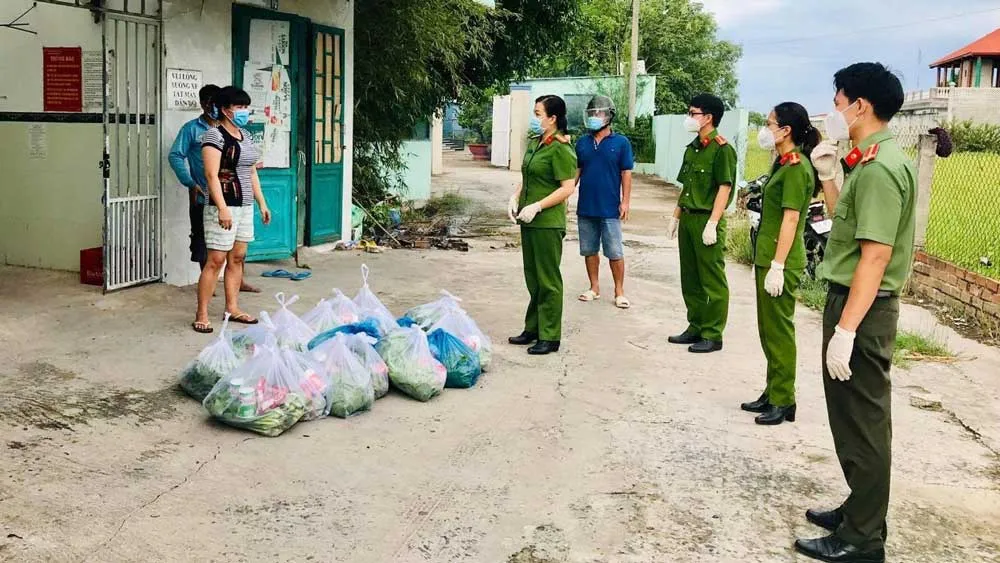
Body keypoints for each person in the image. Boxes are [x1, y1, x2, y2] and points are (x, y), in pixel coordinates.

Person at [794, 63, 914, 563]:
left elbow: (876, 255)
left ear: (859, 105)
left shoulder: (884, 167)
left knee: (862, 423)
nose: (835, 109)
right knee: (850, 419)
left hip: (863, 309)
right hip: (853, 301)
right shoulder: (867, 161)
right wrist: (829, 176)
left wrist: (846, 330)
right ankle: (859, 509)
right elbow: (849, 221)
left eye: (839, 100)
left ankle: (864, 539)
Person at [739, 102, 819, 426]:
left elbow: (790, 219)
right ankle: (772, 391)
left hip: (781, 261)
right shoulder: (782, 164)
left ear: (786, 130)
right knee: (767, 330)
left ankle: (784, 400)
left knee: (779, 332)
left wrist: (778, 265)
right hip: (768, 258)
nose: (765, 129)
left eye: (770, 123)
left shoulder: (798, 168)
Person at [193, 86, 272, 333]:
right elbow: (211, 175)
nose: (244, 112)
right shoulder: (213, 137)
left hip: (245, 205)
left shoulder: (245, 136)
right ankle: (202, 313)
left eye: (246, 107)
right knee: (215, 260)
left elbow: (251, 172)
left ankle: (232, 307)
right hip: (224, 205)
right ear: (225, 110)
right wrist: (222, 208)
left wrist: (262, 203)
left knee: (237, 258)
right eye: (239, 107)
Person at [168, 84, 259, 293]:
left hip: (235, 197)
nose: (212, 106)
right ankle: (208, 287)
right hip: (205, 196)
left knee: (237, 246)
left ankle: (238, 283)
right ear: (202, 104)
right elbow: (175, 155)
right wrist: (191, 182)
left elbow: (250, 167)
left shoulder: (236, 131)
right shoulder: (193, 129)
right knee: (206, 245)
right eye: (207, 102)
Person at [506, 95, 578, 355]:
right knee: (533, 278)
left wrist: (538, 206)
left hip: (546, 222)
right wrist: (516, 196)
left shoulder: (560, 148)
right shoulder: (537, 144)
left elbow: (567, 188)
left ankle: (549, 336)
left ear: (553, 118)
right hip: (528, 222)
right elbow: (528, 177)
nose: (535, 119)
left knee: (548, 280)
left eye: (538, 114)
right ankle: (533, 328)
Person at [666, 94, 737, 353]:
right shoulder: (693, 148)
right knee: (691, 277)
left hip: (707, 219)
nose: (689, 117)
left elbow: (724, 188)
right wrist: (676, 215)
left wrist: (713, 222)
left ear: (708, 117)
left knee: (712, 280)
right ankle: (695, 325)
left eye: (693, 113)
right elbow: (686, 186)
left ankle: (713, 333)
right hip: (688, 217)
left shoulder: (722, 149)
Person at [575, 95, 635, 309]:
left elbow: (626, 173)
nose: (595, 116)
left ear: (609, 116)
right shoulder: (582, 143)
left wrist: (625, 202)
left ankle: (619, 291)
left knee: (614, 251)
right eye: (591, 113)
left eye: (599, 113)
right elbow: (576, 171)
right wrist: (565, 194)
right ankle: (594, 287)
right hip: (586, 206)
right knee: (589, 250)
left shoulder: (621, 143)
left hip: (610, 207)